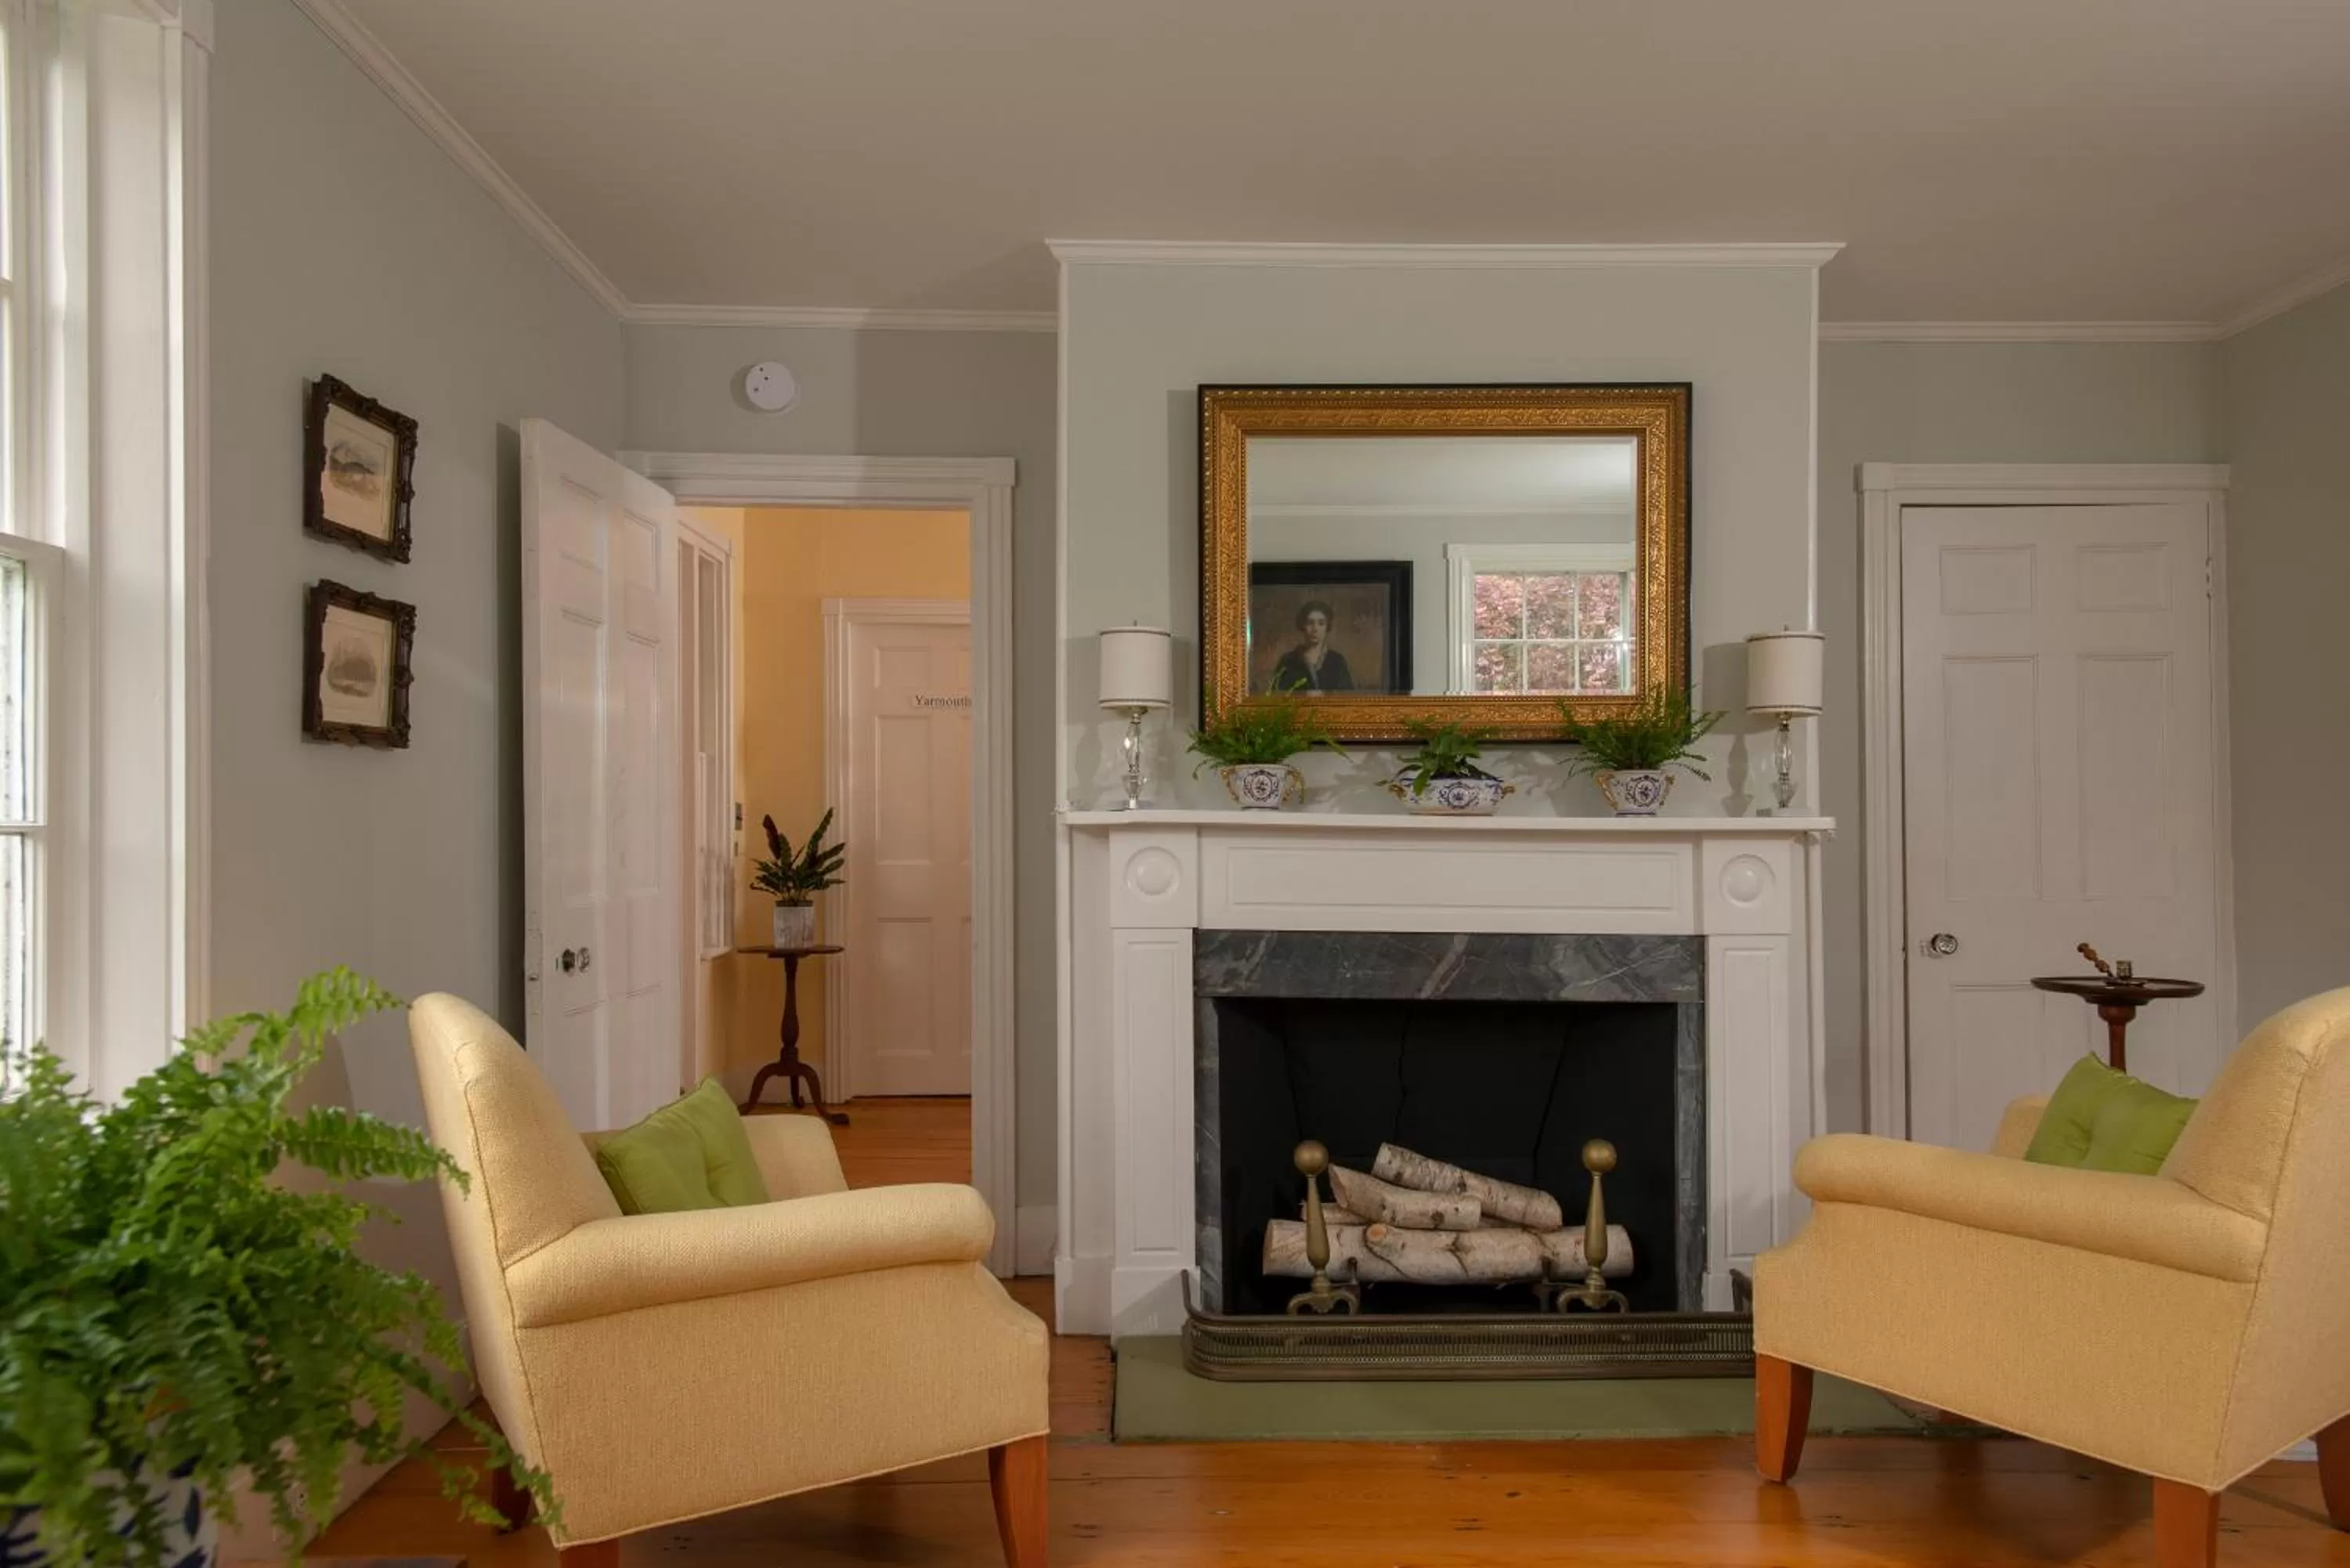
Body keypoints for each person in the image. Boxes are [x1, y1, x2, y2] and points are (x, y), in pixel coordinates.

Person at [1268, 599, 1356, 692]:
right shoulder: (1288, 661)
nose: (1315, 629)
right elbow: (1276, 695)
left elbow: (1347, 696)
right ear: (1303, 626)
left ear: (1327, 627)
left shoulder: (1337, 661)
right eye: (1310, 623)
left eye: (1321, 624)